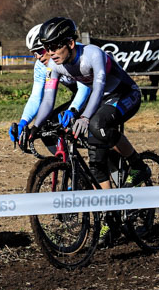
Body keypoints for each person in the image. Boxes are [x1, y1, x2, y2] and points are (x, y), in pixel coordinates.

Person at [28, 17, 145, 190]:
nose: (50, 53)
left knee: (96, 125)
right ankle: (110, 211)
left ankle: (138, 166)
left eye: (54, 47)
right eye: (47, 48)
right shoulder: (54, 65)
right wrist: (35, 127)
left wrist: (84, 117)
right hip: (101, 100)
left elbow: (98, 90)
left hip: (124, 94)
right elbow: (47, 99)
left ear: (70, 43)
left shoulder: (93, 54)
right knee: (95, 161)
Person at [9, 24, 90, 149]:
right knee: (47, 128)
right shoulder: (41, 66)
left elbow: (85, 88)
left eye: (40, 51)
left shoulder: (73, 53)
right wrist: (23, 121)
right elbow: (36, 97)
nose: (38, 57)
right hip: (79, 96)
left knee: (96, 135)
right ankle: (70, 166)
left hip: (102, 94)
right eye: (33, 53)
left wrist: (73, 109)